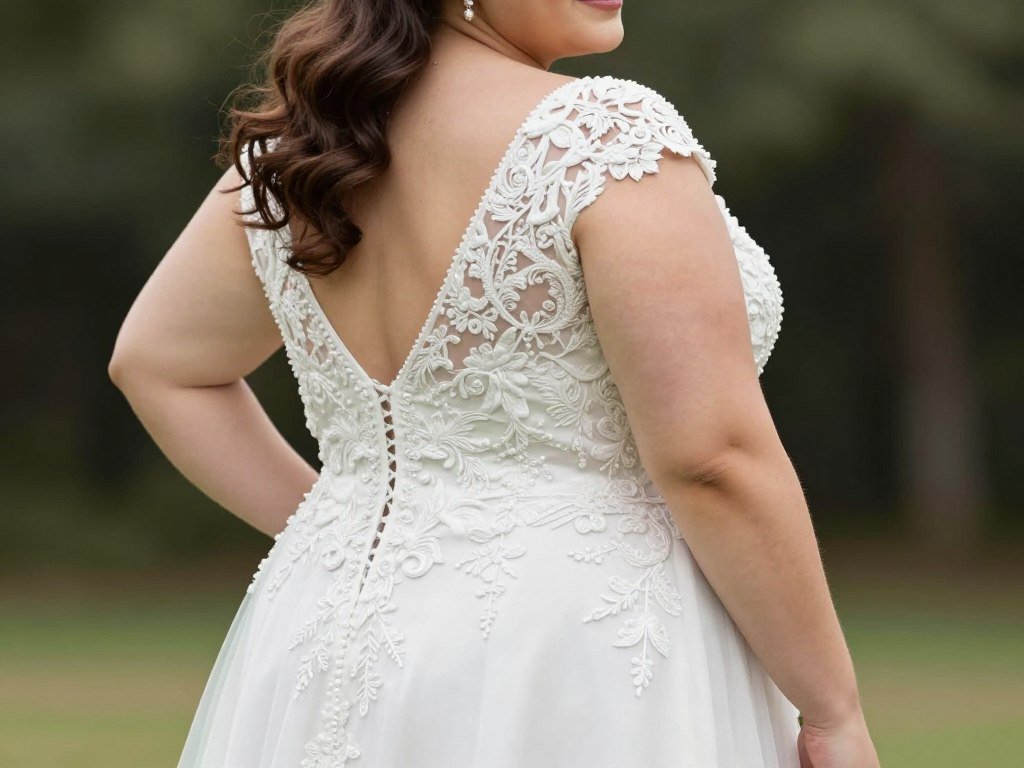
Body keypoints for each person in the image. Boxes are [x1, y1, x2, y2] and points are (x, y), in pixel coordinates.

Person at [108, 1, 880, 766]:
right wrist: (833, 710)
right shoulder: (605, 136)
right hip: (579, 653)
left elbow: (157, 364)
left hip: (324, 635)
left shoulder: (303, 150)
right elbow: (711, 457)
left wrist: (356, 529)